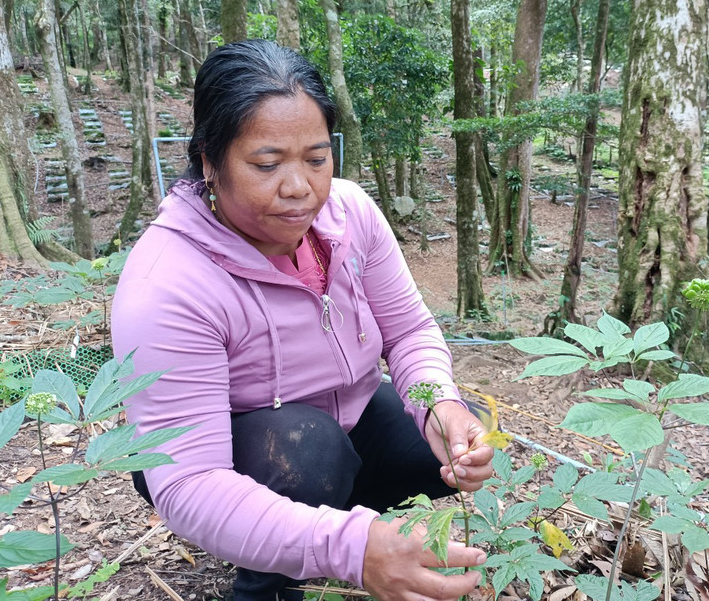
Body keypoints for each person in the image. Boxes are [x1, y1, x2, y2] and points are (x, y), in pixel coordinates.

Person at [112, 39, 493, 601]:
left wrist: (440, 401)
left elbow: (409, 329)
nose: (300, 188)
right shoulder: (167, 283)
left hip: (345, 417)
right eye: (266, 164)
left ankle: (326, 524)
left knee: (452, 430)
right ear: (209, 162)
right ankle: (270, 584)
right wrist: (354, 549)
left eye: (316, 159)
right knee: (309, 451)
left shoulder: (352, 213)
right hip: (235, 451)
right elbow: (189, 482)